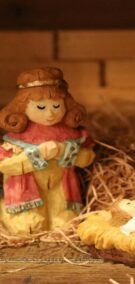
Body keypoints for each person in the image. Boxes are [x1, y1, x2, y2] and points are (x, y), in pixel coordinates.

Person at [0, 67, 95, 234]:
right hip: (26, 195)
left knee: (67, 226)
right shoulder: (19, 138)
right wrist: (37, 154)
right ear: (23, 107)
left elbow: (87, 158)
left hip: (62, 192)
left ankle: (59, 214)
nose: (50, 113)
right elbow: (5, 166)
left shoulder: (69, 134)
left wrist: (63, 150)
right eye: (41, 107)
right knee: (28, 228)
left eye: (57, 106)